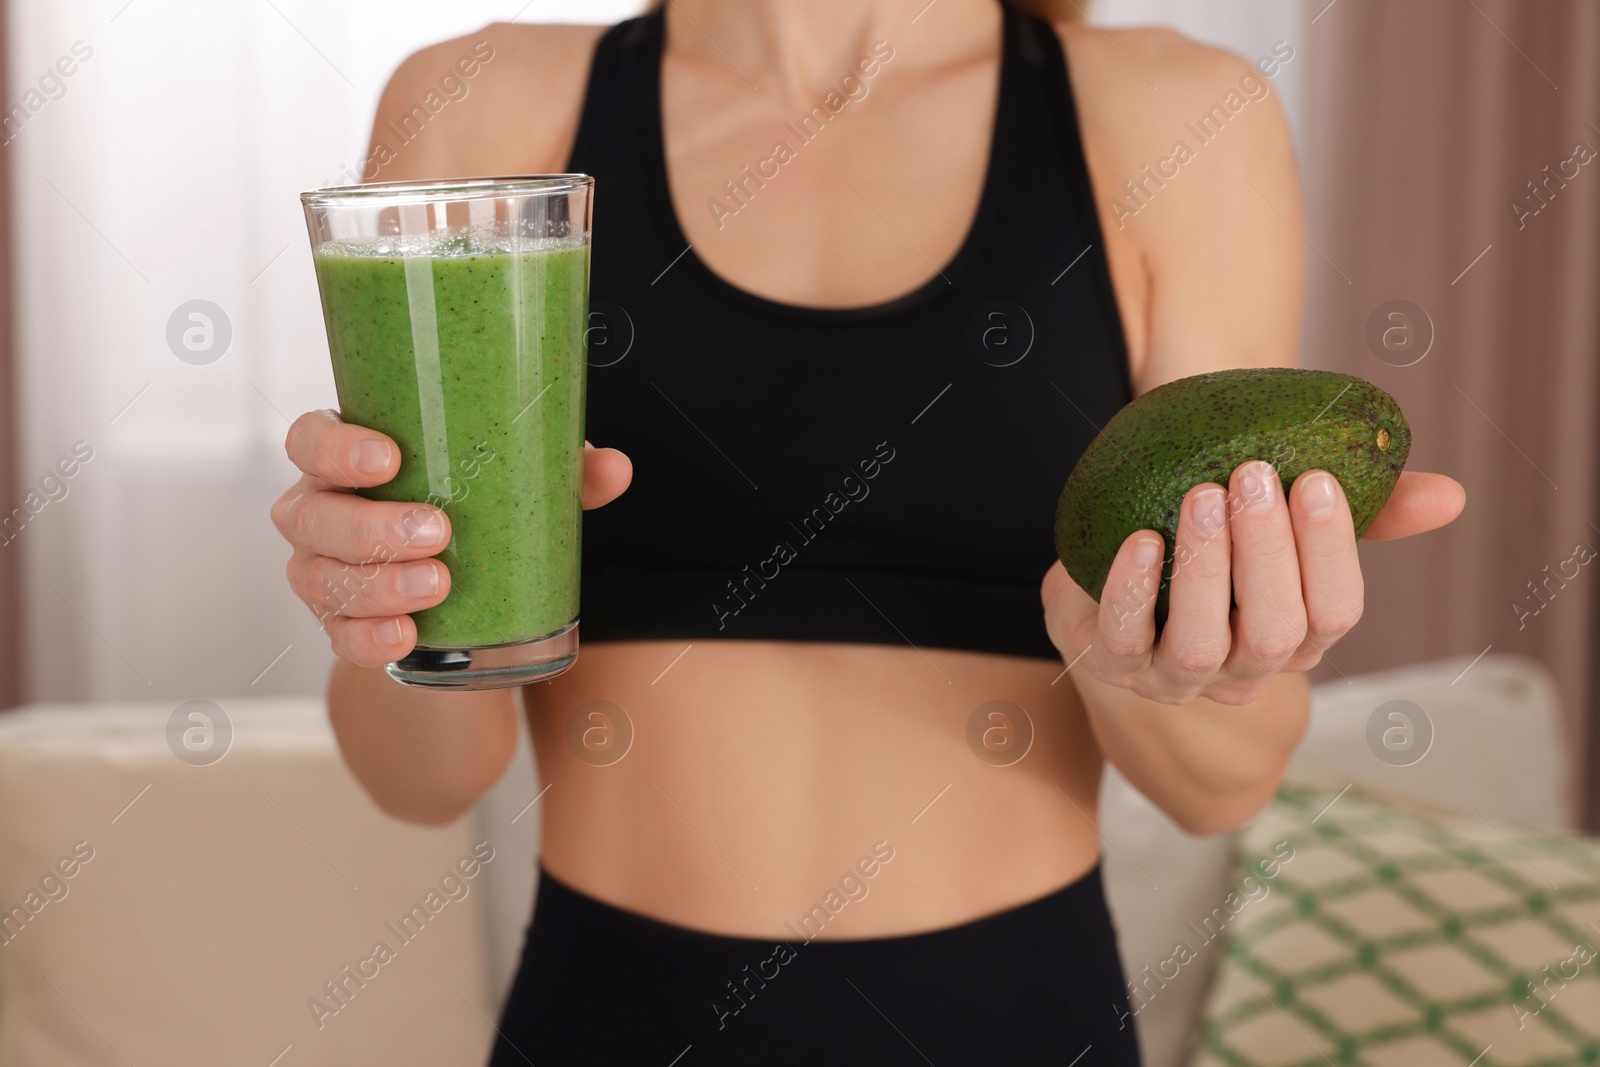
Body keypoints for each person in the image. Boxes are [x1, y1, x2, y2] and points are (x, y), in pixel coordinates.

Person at [271, 1, 1465, 1062]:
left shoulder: (1176, 116)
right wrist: (383, 589)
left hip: (1012, 1015)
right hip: (610, 1010)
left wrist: (1143, 658)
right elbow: (418, 776)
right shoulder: (477, 99)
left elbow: (1223, 781)